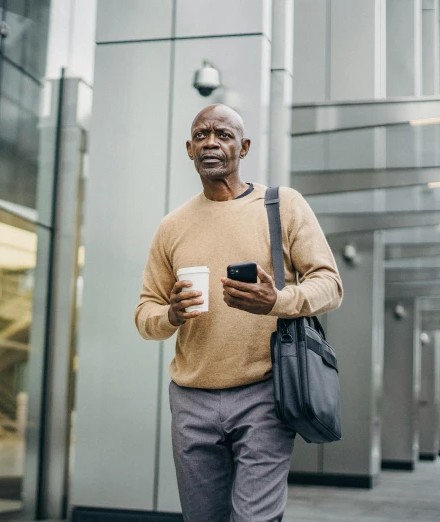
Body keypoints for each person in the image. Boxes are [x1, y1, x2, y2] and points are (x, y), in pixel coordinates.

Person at [134, 104, 343, 522]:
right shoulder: (171, 227)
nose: (211, 142)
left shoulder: (282, 206)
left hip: (264, 393)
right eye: (201, 135)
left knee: (255, 519)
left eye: (223, 134)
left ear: (243, 147)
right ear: (189, 149)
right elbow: (145, 313)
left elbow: (330, 284)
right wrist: (171, 315)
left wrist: (278, 301)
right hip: (192, 399)